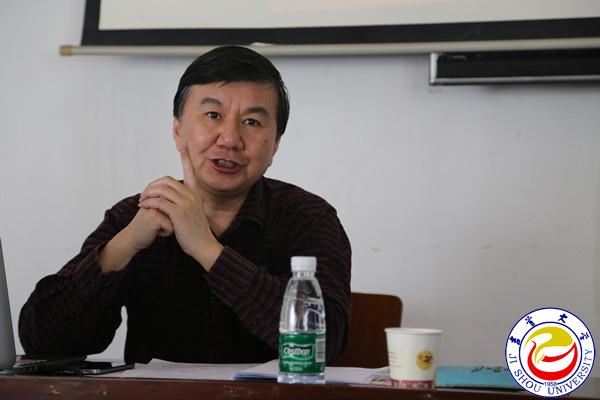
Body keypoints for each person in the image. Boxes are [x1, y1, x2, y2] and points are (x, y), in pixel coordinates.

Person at [18, 46, 352, 364]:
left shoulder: (309, 219)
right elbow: (43, 342)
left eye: (252, 122)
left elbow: (327, 341)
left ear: (275, 145)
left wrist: (207, 249)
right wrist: (122, 247)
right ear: (178, 131)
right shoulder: (137, 215)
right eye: (213, 115)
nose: (230, 139)